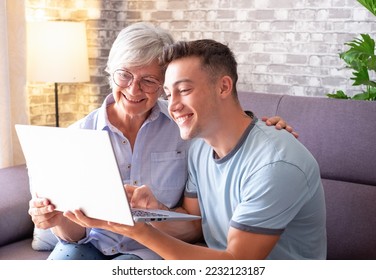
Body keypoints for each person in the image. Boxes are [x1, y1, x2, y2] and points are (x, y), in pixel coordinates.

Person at [28, 23, 297, 260]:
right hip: (90, 243)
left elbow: (226, 117)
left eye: (149, 80)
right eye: (124, 75)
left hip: (151, 250)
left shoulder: (186, 127)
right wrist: (56, 220)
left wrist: (267, 129)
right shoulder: (77, 136)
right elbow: (73, 235)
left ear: (163, 84)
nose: (134, 90)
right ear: (110, 72)